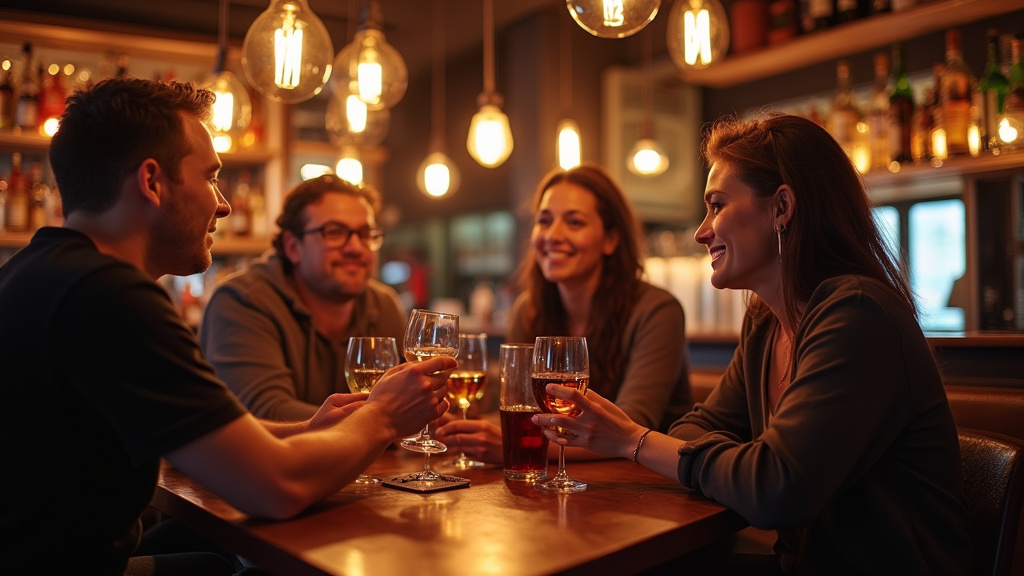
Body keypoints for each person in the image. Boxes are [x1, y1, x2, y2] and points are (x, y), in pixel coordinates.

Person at [0, 77, 455, 575]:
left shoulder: (38, 273)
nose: (224, 203)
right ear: (151, 182)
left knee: (217, 559)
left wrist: (308, 429)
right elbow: (275, 489)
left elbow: (190, 433)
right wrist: (384, 416)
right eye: (211, 177)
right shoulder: (108, 295)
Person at [533, 114, 973, 574]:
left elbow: (774, 490)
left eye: (717, 206)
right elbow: (691, 429)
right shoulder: (766, 323)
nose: (703, 231)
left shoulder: (858, 315)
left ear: (782, 208)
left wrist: (634, 441)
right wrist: (744, 460)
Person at [436, 162, 691, 462]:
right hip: (557, 483)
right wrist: (460, 425)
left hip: (647, 489)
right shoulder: (528, 310)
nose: (553, 235)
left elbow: (630, 426)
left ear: (610, 239)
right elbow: (521, 409)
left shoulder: (657, 311)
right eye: (544, 221)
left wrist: (515, 445)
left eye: (574, 222)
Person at [199, 174, 407, 421]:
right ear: (292, 247)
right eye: (334, 232)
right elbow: (265, 414)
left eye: (365, 234)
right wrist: (390, 419)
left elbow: (406, 399)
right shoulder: (241, 301)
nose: (355, 247)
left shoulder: (383, 305)